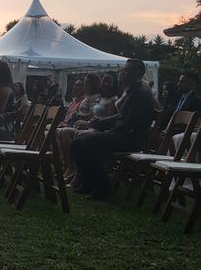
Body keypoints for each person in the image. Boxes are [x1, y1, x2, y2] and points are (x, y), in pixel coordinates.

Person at [71, 59, 155, 201]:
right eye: (124, 69)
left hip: (130, 138)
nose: (124, 72)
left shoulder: (142, 93)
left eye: (128, 70)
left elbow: (131, 122)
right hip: (120, 134)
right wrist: (102, 122)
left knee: (89, 143)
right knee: (77, 143)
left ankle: (102, 188)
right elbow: (122, 116)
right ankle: (88, 183)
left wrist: (104, 126)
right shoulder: (132, 91)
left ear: (139, 73)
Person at [56, 74, 101, 182]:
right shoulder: (88, 98)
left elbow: (94, 115)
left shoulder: (96, 98)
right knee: (58, 132)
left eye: (87, 83)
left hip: (87, 126)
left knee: (65, 132)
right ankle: (66, 163)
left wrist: (81, 118)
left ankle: (72, 166)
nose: (85, 85)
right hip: (80, 124)